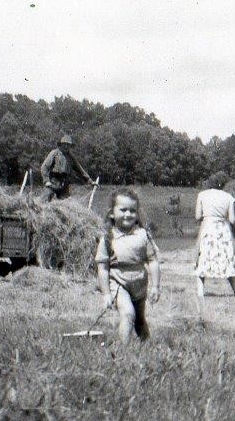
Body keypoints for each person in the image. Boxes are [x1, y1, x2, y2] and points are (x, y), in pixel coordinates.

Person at [94, 189, 161, 342]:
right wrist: (106, 294)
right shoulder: (108, 237)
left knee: (139, 319)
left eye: (132, 210)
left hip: (139, 283)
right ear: (112, 213)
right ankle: (124, 352)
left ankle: (147, 346)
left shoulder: (143, 235)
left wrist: (156, 286)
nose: (128, 214)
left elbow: (153, 261)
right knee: (128, 314)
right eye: (123, 210)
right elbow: (103, 268)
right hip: (118, 282)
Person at [194, 180, 235, 316]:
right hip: (223, 231)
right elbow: (232, 220)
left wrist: (209, 215)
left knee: (202, 261)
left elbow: (197, 217)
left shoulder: (202, 195)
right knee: (227, 262)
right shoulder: (228, 197)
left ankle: (200, 294)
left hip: (208, 229)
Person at [41, 134, 93, 201]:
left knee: (65, 204)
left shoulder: (70, 157)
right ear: (61, 144)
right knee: (45, 200)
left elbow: (80, 170)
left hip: (65, 183)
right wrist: (46, 181)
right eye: (65, 144)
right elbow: (44, 167)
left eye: (68, 145)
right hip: (53, 181)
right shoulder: (54, 153)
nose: (66, 146)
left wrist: (90, 181)